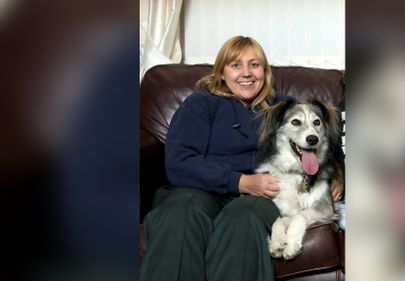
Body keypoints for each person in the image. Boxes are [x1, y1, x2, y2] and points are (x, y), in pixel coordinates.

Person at [139, 36, 344, 281]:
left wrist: (338, 175)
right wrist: (240, 182)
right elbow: (178, 162)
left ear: (264, 71)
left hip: (258, 198)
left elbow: (322, 138)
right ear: (222, 72)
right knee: (180, 215)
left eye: (254, 65)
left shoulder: (282, 106)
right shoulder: (200, 104)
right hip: (196, 190)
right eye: (235, 65)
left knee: (244, 218)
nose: (246, 73)